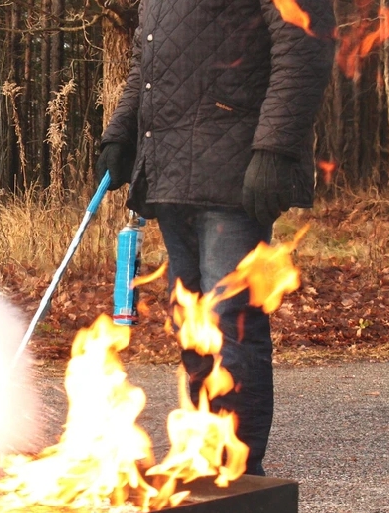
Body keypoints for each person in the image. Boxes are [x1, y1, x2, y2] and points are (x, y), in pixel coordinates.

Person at [96, 1, 334, 476]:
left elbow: (302, 42)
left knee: (231, 324)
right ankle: (205, 459)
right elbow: (146, 65)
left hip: (234, 172)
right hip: (169, 172)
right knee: (192, 326)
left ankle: (240, 479)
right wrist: (121, 134)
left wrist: (274, 148)